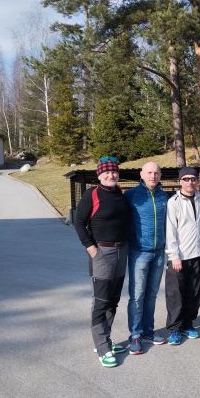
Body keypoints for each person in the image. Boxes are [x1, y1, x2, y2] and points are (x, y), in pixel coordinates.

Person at [74, 156, 129, 368]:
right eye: (106, 172)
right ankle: (102, 347)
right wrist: (90, 247)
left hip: (121, 251)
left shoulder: (119, 194)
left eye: (114, 171)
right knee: (101, 300)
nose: (111, 175)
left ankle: (105, 339)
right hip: (102, 252)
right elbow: (79, 222)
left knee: (113, 299)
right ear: (99, 175)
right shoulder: (92, 194)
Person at [124, 162, 168, 354]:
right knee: (137, 295)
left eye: (156, 173)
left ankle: (148, 331)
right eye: (149, 172)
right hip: (139, 252)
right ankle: (135, 334)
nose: (152, 176)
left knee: (151, 295)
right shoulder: (131, 195)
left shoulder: (164, 196)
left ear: (160, 175)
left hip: (159, 252)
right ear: (141, 174)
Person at [164, 167, 200, 346]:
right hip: (179, 256)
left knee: (194, 292)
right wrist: (174, 255)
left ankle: (188, 324)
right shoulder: (173, 202)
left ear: (197, 181)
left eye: (193, 179)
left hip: (198, 254)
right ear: (180, 181)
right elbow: (170, 230)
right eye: (186, 179)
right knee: (176, 294)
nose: (190, 182)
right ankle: (175, 328)